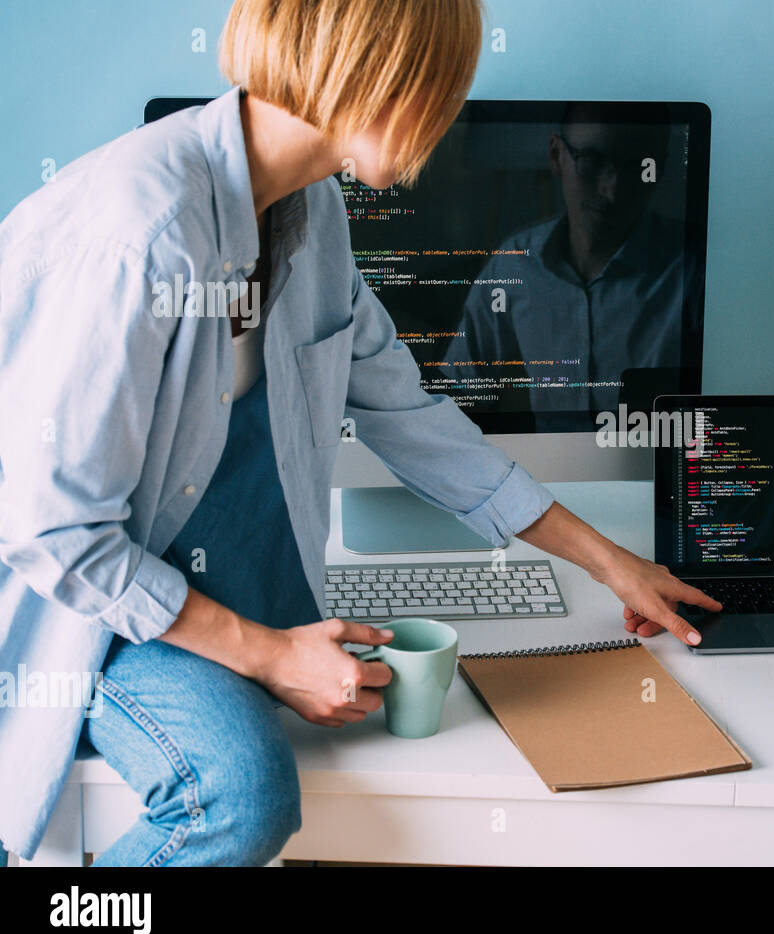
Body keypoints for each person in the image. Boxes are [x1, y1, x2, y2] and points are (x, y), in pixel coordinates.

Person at [0, 0, 718, 866]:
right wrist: (269, 656)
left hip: (199, 581)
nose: (445, 120)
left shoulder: (316, 213)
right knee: (242, 795)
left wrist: (613, 563)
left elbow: (406, 412)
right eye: (442, 90)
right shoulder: (141, 235)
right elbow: (57, 532)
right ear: (372, 70)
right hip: (87, 609)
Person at [441, 102, 702, 417]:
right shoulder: (513, 266)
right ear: (556, 156)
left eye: (637, 167)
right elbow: (457, 392)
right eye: (592, 160)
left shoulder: (696, 271)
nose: (612, 190)